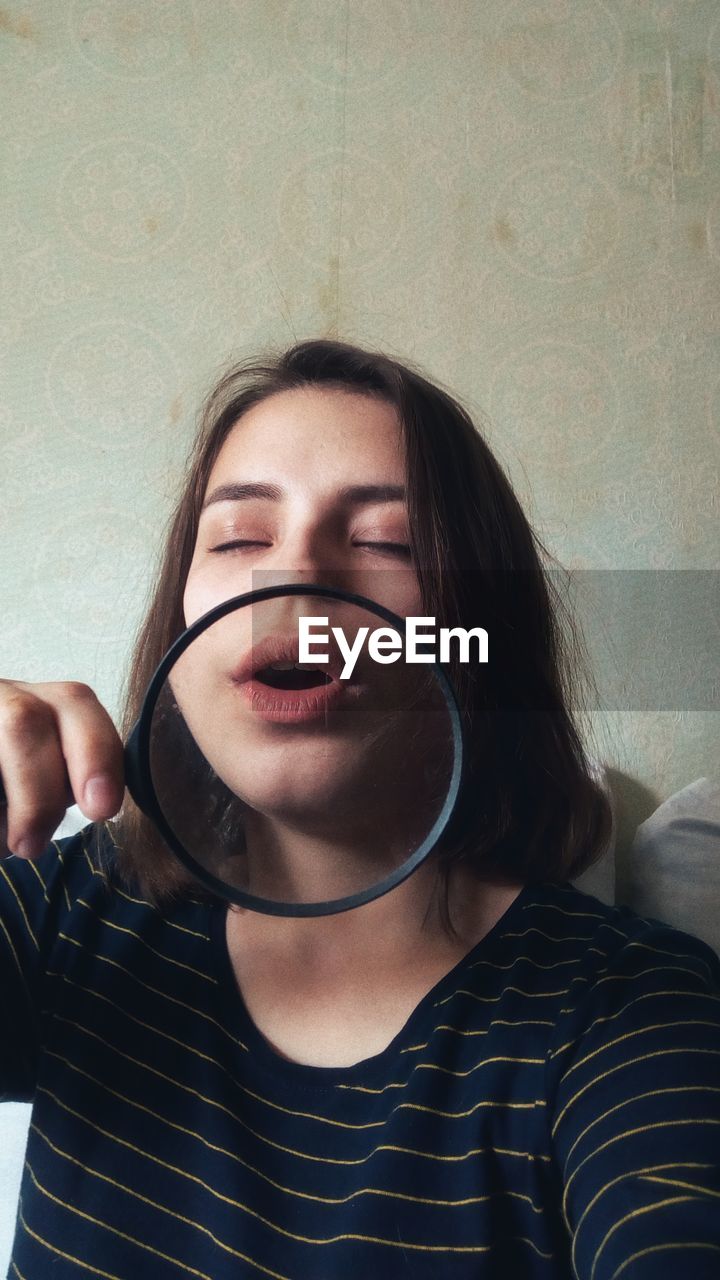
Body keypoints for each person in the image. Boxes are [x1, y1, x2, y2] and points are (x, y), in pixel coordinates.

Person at [0, 338, 718, 1280]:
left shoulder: (636, 1012)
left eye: (390, 542)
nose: (294, 580)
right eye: (240, 539)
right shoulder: (68, 905)